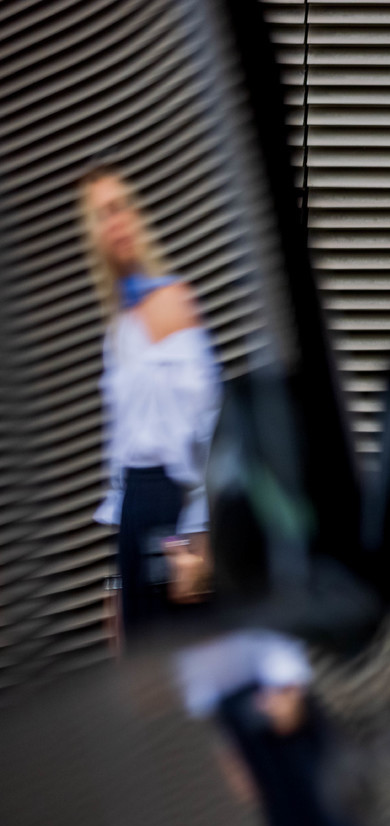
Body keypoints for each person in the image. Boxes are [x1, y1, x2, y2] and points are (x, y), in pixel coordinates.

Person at [78, 165, 221, 649]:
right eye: (100, 215)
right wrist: (117, 583)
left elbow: (208, 426)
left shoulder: (174, 302)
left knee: (187, 671)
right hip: (135, 513)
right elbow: (119, 459)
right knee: (144, 680)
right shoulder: (118, 329)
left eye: (120, 208)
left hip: (171, 506)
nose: (113, 223)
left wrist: (197, 540)